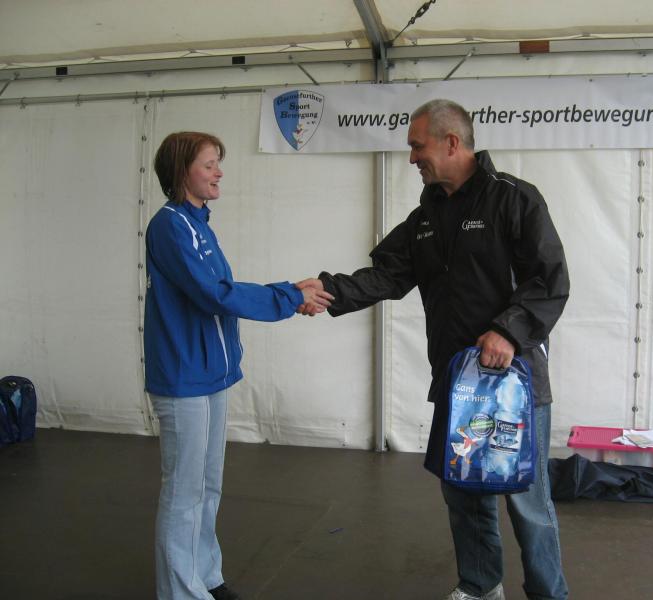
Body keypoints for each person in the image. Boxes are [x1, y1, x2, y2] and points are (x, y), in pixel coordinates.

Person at [298, 100, 570, 600]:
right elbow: (386, 275)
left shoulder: (514, 199)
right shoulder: (426, 217)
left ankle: (549, 593)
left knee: (527, 500)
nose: (411, 158)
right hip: (456, 379)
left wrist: (508, 332)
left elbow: (549, 281)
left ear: (451, 142)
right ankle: (481, 586)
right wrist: (327, 289)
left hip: (514, 383)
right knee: (462, 490)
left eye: (416, 146)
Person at [145, 131, 333, 600]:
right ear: (182, 171)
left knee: (207, 485)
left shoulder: (198, 225)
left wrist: (290, 291)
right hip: (184, 375)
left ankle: (206, 576)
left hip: (210, 372)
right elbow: (214, 295)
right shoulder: (170, 226)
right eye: (209, 164)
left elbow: (221, 292)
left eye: (217, 163)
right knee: (184, 491)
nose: (219, 173)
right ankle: (181, 592)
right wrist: (289, 296)